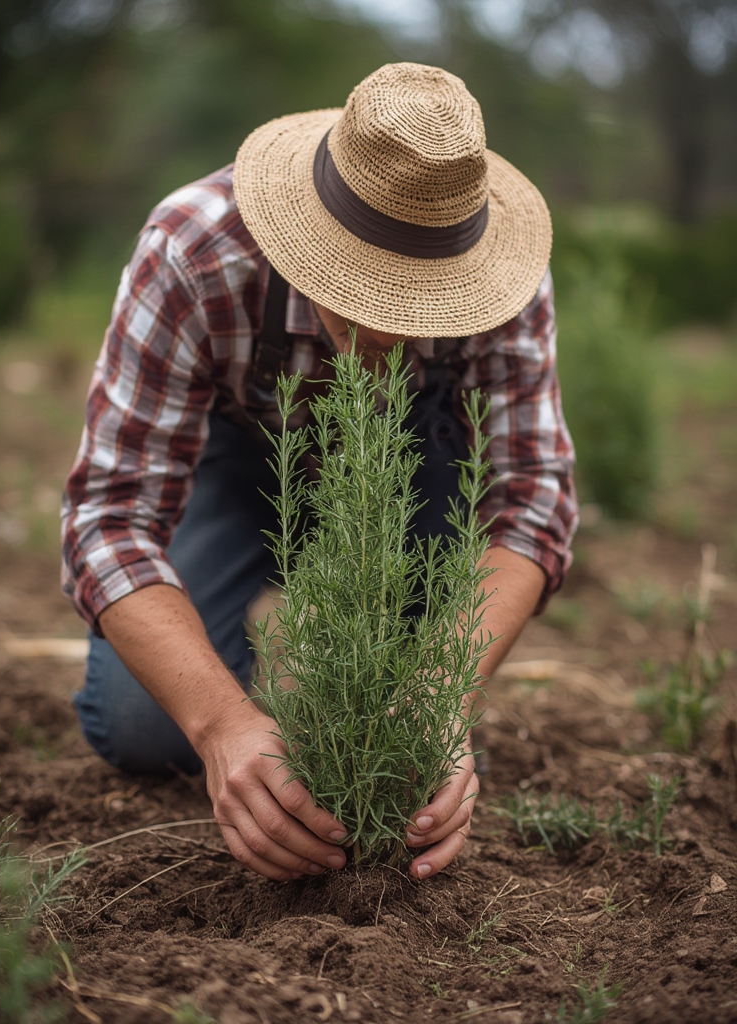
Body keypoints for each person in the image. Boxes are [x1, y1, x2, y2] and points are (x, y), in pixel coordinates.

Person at [61, 62, 577, 884]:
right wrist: (224, 723)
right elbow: (107, 516)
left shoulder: (504, 274)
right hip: (238, 474)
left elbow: (531, 502)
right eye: (365, 291)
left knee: (398, 733)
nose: (390, 329)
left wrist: (442, 692)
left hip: (415, 490)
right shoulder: (195, 249)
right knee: (144, 731)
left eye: (423, 302)